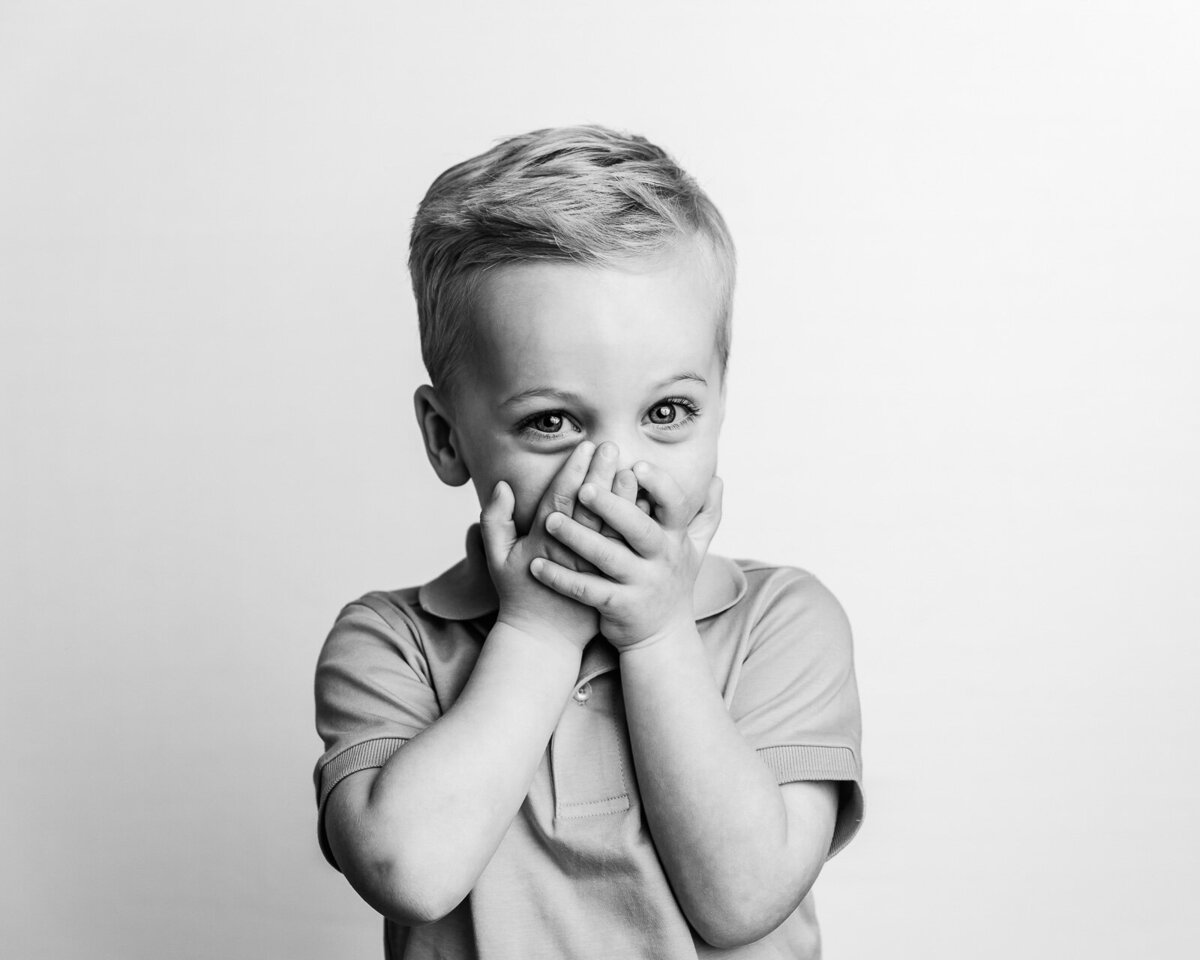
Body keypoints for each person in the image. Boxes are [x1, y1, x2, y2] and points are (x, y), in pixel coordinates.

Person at [312, 125, 864, 959]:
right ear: (447, 438)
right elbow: (410, 871)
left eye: (667, 413)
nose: (613, 474)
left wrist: (659, 632)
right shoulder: (392, 643)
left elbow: (743, 898)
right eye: (553, 422)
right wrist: (537, 632)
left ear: (719, 403)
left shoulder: (783, 623)